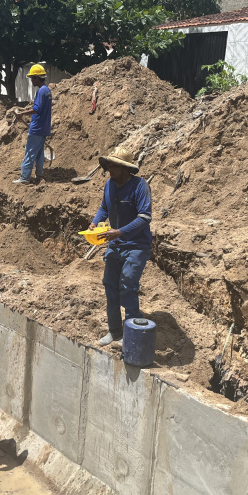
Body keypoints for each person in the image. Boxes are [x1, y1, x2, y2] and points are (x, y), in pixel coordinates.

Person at [88, 147, 152, 347]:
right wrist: (95, 222)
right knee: (110, 285)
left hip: (136, 245)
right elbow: (104, 207)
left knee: (127, 286)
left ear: (125, 169)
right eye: (108, 166)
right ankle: (114, 331)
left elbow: (145, 217)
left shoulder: (140, 187)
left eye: (113, 166)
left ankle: (132, 334)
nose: (109, 170)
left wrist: (120, 232)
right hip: (116, 244)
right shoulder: (109, 185)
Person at [13, 64, 52, 185]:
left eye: (32, 78)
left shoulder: (41, 91)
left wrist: (22, 113)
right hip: (44, 128)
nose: (31, 80)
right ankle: (39, 175)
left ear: (36, 77)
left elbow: (37, 109)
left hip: (37, 129)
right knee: (39, 153)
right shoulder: (47, 90)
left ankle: (24, 177)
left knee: (29, 152)